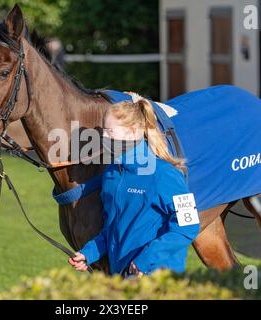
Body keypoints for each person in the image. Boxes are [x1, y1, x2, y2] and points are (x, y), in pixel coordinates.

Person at [68, 99, 200, 278]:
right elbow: (112, 229)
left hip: (158, 277)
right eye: (103, 130)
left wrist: (145, 260)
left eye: (110, 131)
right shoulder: (111, 174)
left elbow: (188, 227)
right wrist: (89, 254)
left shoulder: (166, 175)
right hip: (123, 274)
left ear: (133, 133)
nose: (103, 137)